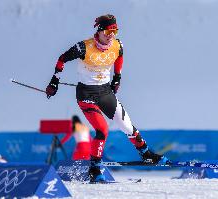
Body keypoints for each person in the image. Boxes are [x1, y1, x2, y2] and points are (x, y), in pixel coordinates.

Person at [46, 14, 171, 182]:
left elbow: (119, 56)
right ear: (99, 31)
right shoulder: (84, 47)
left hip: (105, 92)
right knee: (102, 130)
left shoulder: (117, 45)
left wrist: (117, 77)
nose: (111, 35)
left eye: (115, 31)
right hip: (86, 94)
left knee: (127, 126)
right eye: (108, 31)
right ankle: (94, 169)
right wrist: (54, 81)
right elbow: (62, 59)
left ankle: (146, 154)